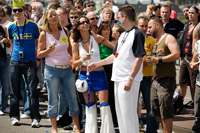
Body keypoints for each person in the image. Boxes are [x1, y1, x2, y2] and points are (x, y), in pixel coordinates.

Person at [88, 5, 146, 133]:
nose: (118, 19)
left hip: (128, 79)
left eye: (119, 17)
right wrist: (98, 63)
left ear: (124, 17)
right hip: (118, 78)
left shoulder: (137, 34)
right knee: (121, 115)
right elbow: (115, 56)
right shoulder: (124, 34)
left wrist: (130, 79)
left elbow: (139, 58)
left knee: (128, 115)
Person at [37, 9, 81, 133]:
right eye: (51, 16)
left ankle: (76, 126)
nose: (54, 17)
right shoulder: (44, 34)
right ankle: (54, 128)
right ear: (47, 20)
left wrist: (77, 61)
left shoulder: (65, 30)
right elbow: (39, 54)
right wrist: (48, 51)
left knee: (72, 98)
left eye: (55, 15)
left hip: (67, 70)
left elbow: (69, 50)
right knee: (53, 99)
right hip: (52, 71)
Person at [72, 15, 115, 133]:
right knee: (90, 106)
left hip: (99, 74)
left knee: (104, 105)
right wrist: (82, 59)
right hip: (85, 76)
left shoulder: (97, 37)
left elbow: (115, 49)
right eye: (82, 23)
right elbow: (75, 64)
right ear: (78, 27)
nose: (85, 23)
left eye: (86, 21)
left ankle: (107, 131)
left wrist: (108, 59)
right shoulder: (76, 43)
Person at [8, 1, 41, 127]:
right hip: (15, 62)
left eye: (19, 10)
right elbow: (12, 41)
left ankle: (35, 118)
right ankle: (14, 117)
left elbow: (38, 41)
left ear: (24, 11)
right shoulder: (11, 27)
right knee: (14, 91)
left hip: (30, 62)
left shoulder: (33, 25)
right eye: (15, 10)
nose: (17, 12)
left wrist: (37, 58)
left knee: (32, 91)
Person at [146, 17, 180, 133]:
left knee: (166, 112)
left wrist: (158, 60)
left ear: (157, 26)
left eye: (150, 27)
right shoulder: (156, 41)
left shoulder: (168, 38)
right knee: (158, 112)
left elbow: (176, 55)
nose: (148, 29)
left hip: (166, 81)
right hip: (155, 81)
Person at [136, 15, 158, 133]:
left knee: (150, 106)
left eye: (146, 26)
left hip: (148, 77)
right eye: (141, 26)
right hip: (134, 77)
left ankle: (152, 130)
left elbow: (157, 57)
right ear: (136, 26)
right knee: (133, 106)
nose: (144, 28)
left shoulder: (152, 41)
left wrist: (151, 60)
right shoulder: (132, 40)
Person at [97, 21, 118, 127]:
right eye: (104, 29)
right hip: (100, 68)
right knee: (102, 96)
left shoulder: (113, 42)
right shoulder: (97, 41)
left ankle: (113, 119)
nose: (106, 31)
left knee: (111, 95)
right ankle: (104, 119)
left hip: (110, 69)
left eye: (108, 29)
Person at [178, 5, 199, 108]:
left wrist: (195, 59)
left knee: (193, 82)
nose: (190, 15)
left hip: (193, 58)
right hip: (185, 57)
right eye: (189, 13)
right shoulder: (187, 25)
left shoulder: (198, 26)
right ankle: (179, 103)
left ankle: (195, 103)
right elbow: (182, 42)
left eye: (192, 13)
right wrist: (182, 57)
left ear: (198, 14)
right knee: (181, 81)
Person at [190, 22, 200, 133]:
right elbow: (194, 60)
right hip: (199, 83)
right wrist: (193, 64)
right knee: (198, 115)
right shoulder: (198, 44)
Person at [0, 23, 11, 116]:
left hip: (4, 60)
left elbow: (9, 45)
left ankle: (3, 107)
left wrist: (6, 41)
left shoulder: (3, 28)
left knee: (6, 85)